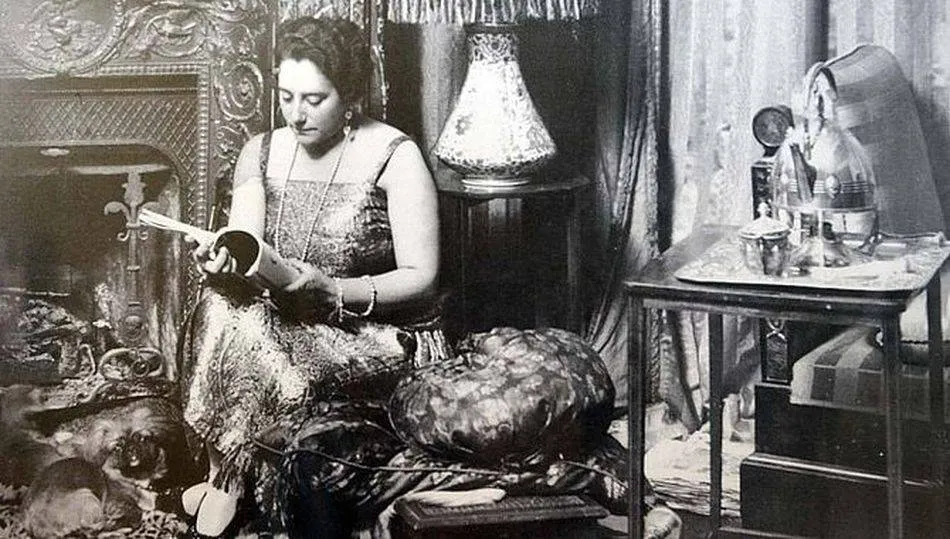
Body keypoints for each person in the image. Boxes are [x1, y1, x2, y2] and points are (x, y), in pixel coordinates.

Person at [178, 16, 447, 536]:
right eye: (286, 97)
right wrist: (223, 261)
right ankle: (227, 472)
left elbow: (423, 277)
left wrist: (335, 291)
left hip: (369, 330)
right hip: (283, 317)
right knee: (218, 302)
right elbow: (245, 243)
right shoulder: (260, 151)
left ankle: (234, 483)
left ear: (350, 97)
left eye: (314, 99)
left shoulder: (394, 155)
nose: (296, 115)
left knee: (264, 342)